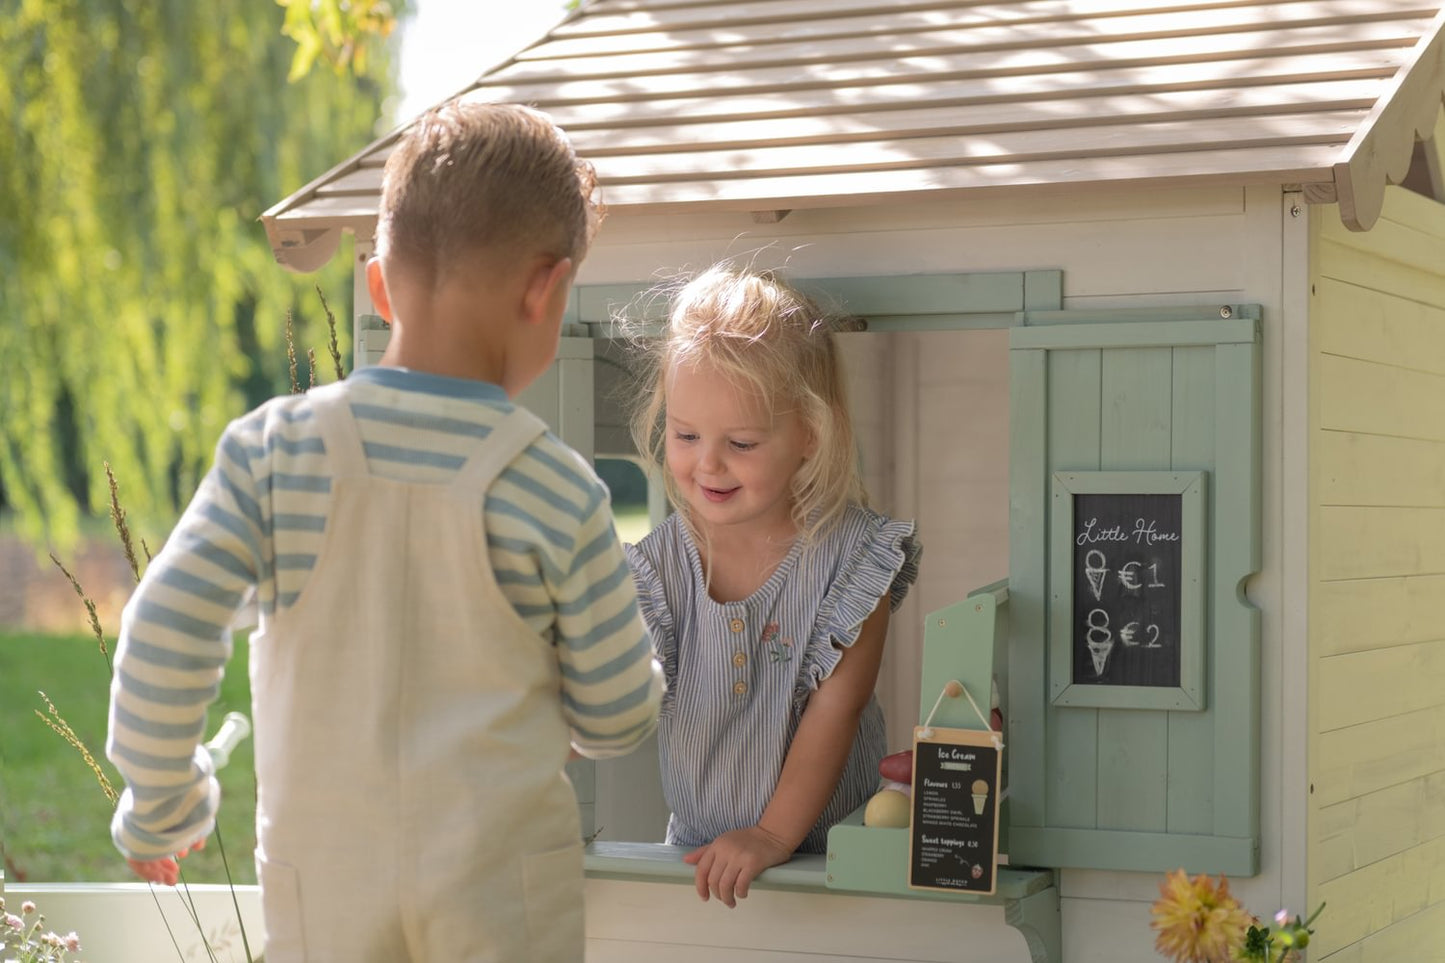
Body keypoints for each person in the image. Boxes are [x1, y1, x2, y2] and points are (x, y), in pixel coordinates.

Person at [106, 100, 664, 962]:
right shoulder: (558, 491)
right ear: (544, 290)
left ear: (377, 284)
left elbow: (162, 630)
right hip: (498, 884)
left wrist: (164, 800)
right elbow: (620, 712)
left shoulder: (271, 455)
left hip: (322, 879)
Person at [623, 265, 922, 908]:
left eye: (742, 442)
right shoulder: (655, 569)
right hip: (698, 860)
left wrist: (768, 834)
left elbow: (835, 710)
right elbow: (615, 688)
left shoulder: (854, 560)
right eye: (685, 435)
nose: (707, 462)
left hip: (832, 862)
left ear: (810, 433)